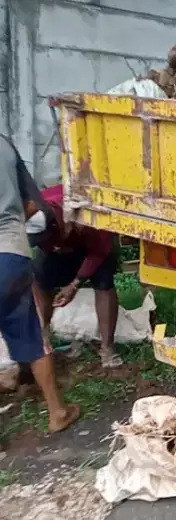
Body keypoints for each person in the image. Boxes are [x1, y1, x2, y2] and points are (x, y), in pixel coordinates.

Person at [0, 137, 79, 433]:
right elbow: (34, 204)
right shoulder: (4, 145)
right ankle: (57, 412)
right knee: (32, 335)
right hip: (10, 253)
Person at [29, 185, 123, 368]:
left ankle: (107, 348)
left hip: (95, 245)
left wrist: (74, 284)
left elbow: (99, 252)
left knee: (103, 281)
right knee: (40, 275)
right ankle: (43, 337)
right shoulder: (34, 210)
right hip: (62, 245)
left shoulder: (86, 213)